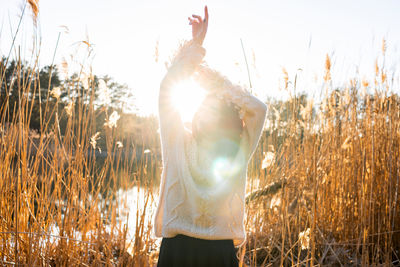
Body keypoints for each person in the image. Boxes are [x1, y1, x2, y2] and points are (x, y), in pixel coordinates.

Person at [154, 6, 267, 267]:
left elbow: (166, 89)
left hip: (193, 252)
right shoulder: (187, 144)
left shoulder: (228, 148)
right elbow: (258, 109)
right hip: (200, 252)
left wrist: (200, 55)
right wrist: (209, 69)